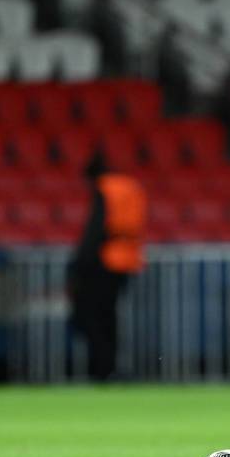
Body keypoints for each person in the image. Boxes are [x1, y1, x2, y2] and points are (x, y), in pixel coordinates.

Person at [68, 151, 147, 381]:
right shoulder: (130, 186)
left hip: (105, 260)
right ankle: (110, 367)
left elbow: (96, 227)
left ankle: (103, 367)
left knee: (95, 316)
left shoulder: (104, 188)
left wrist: (79, 263)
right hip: (128, 257)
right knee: (110, 315)